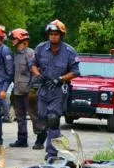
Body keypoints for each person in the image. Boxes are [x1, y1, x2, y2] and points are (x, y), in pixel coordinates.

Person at [32, 20, 79, 160]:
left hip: (58, 90)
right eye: (51, 34)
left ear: (61, 35)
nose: (53, 36)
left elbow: (75, 72)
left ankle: (51, 153)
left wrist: (60, 79)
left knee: (53, 119)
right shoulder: (40, 48)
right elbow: (33, 65)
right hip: (44, 88)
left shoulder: (69, 51)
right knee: (42, 117)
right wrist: (38, 75)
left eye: (56, 34)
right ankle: (59, 140)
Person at [8, 28, 46, 149]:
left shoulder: (30, 54)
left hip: (29, 91)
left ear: (21, 39)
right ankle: (22, 139)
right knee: (20, 116)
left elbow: (36, 71)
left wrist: (33, 88)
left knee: (34, 114)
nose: (12, 41)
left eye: (14, 39)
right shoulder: (16, 55)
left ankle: (40, 138)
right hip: (18, 90)